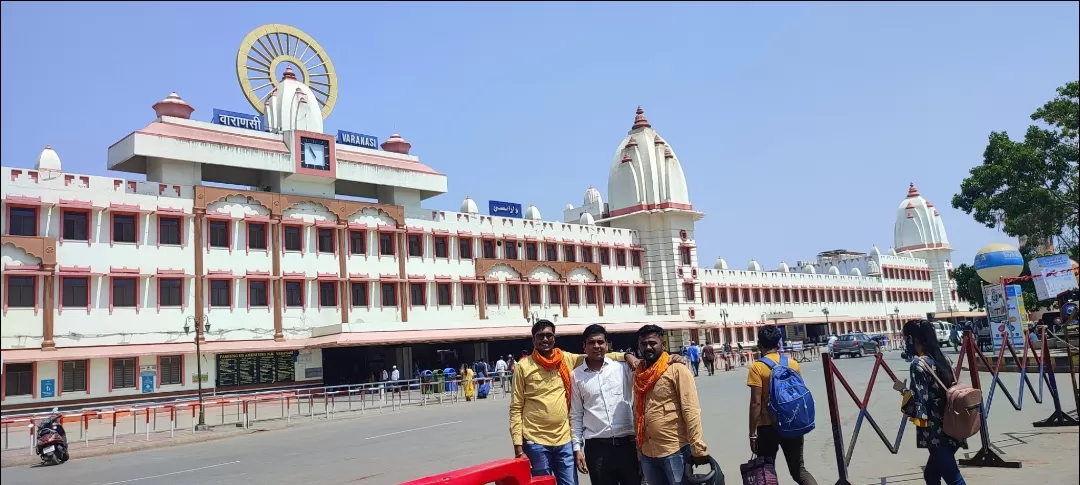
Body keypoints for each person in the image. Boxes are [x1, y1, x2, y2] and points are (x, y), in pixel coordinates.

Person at [894, 320, 968, 485]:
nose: (905, 342)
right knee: (931, 475)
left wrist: (903, 391)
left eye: (905, 338)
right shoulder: (943, 358)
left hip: (936, 432)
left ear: (912, 339)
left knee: (954, 479)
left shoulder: (918, 364)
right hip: (954, 426)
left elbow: (920, 402)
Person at [634, 324, 710, 485]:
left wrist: (698, 447)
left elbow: (691, 410)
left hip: (675, 450)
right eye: (643, 344)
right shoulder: (639, 373)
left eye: (652, 343)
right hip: (648, 451)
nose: (648, 347)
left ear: (663, 344)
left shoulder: (676, 369)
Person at [747, 325, 818, 485]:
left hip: (767, 427)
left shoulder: (757, 368)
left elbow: (755, 403)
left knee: (766, 471)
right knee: (798, 470)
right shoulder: (792, 364)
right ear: (778, 344)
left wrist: (752, 434)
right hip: (791, 422)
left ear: (760, 345)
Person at [569, 324, 640, 485]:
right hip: (597, 449)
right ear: (584, 346)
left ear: (607, 345)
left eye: (600, 342)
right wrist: (577, 448)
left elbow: (650, 368)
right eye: (591, 342)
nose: (596, 346)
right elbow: (576, 414)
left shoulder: (622, 368)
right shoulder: (576, 376)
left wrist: (673, 359)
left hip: (627, 445)